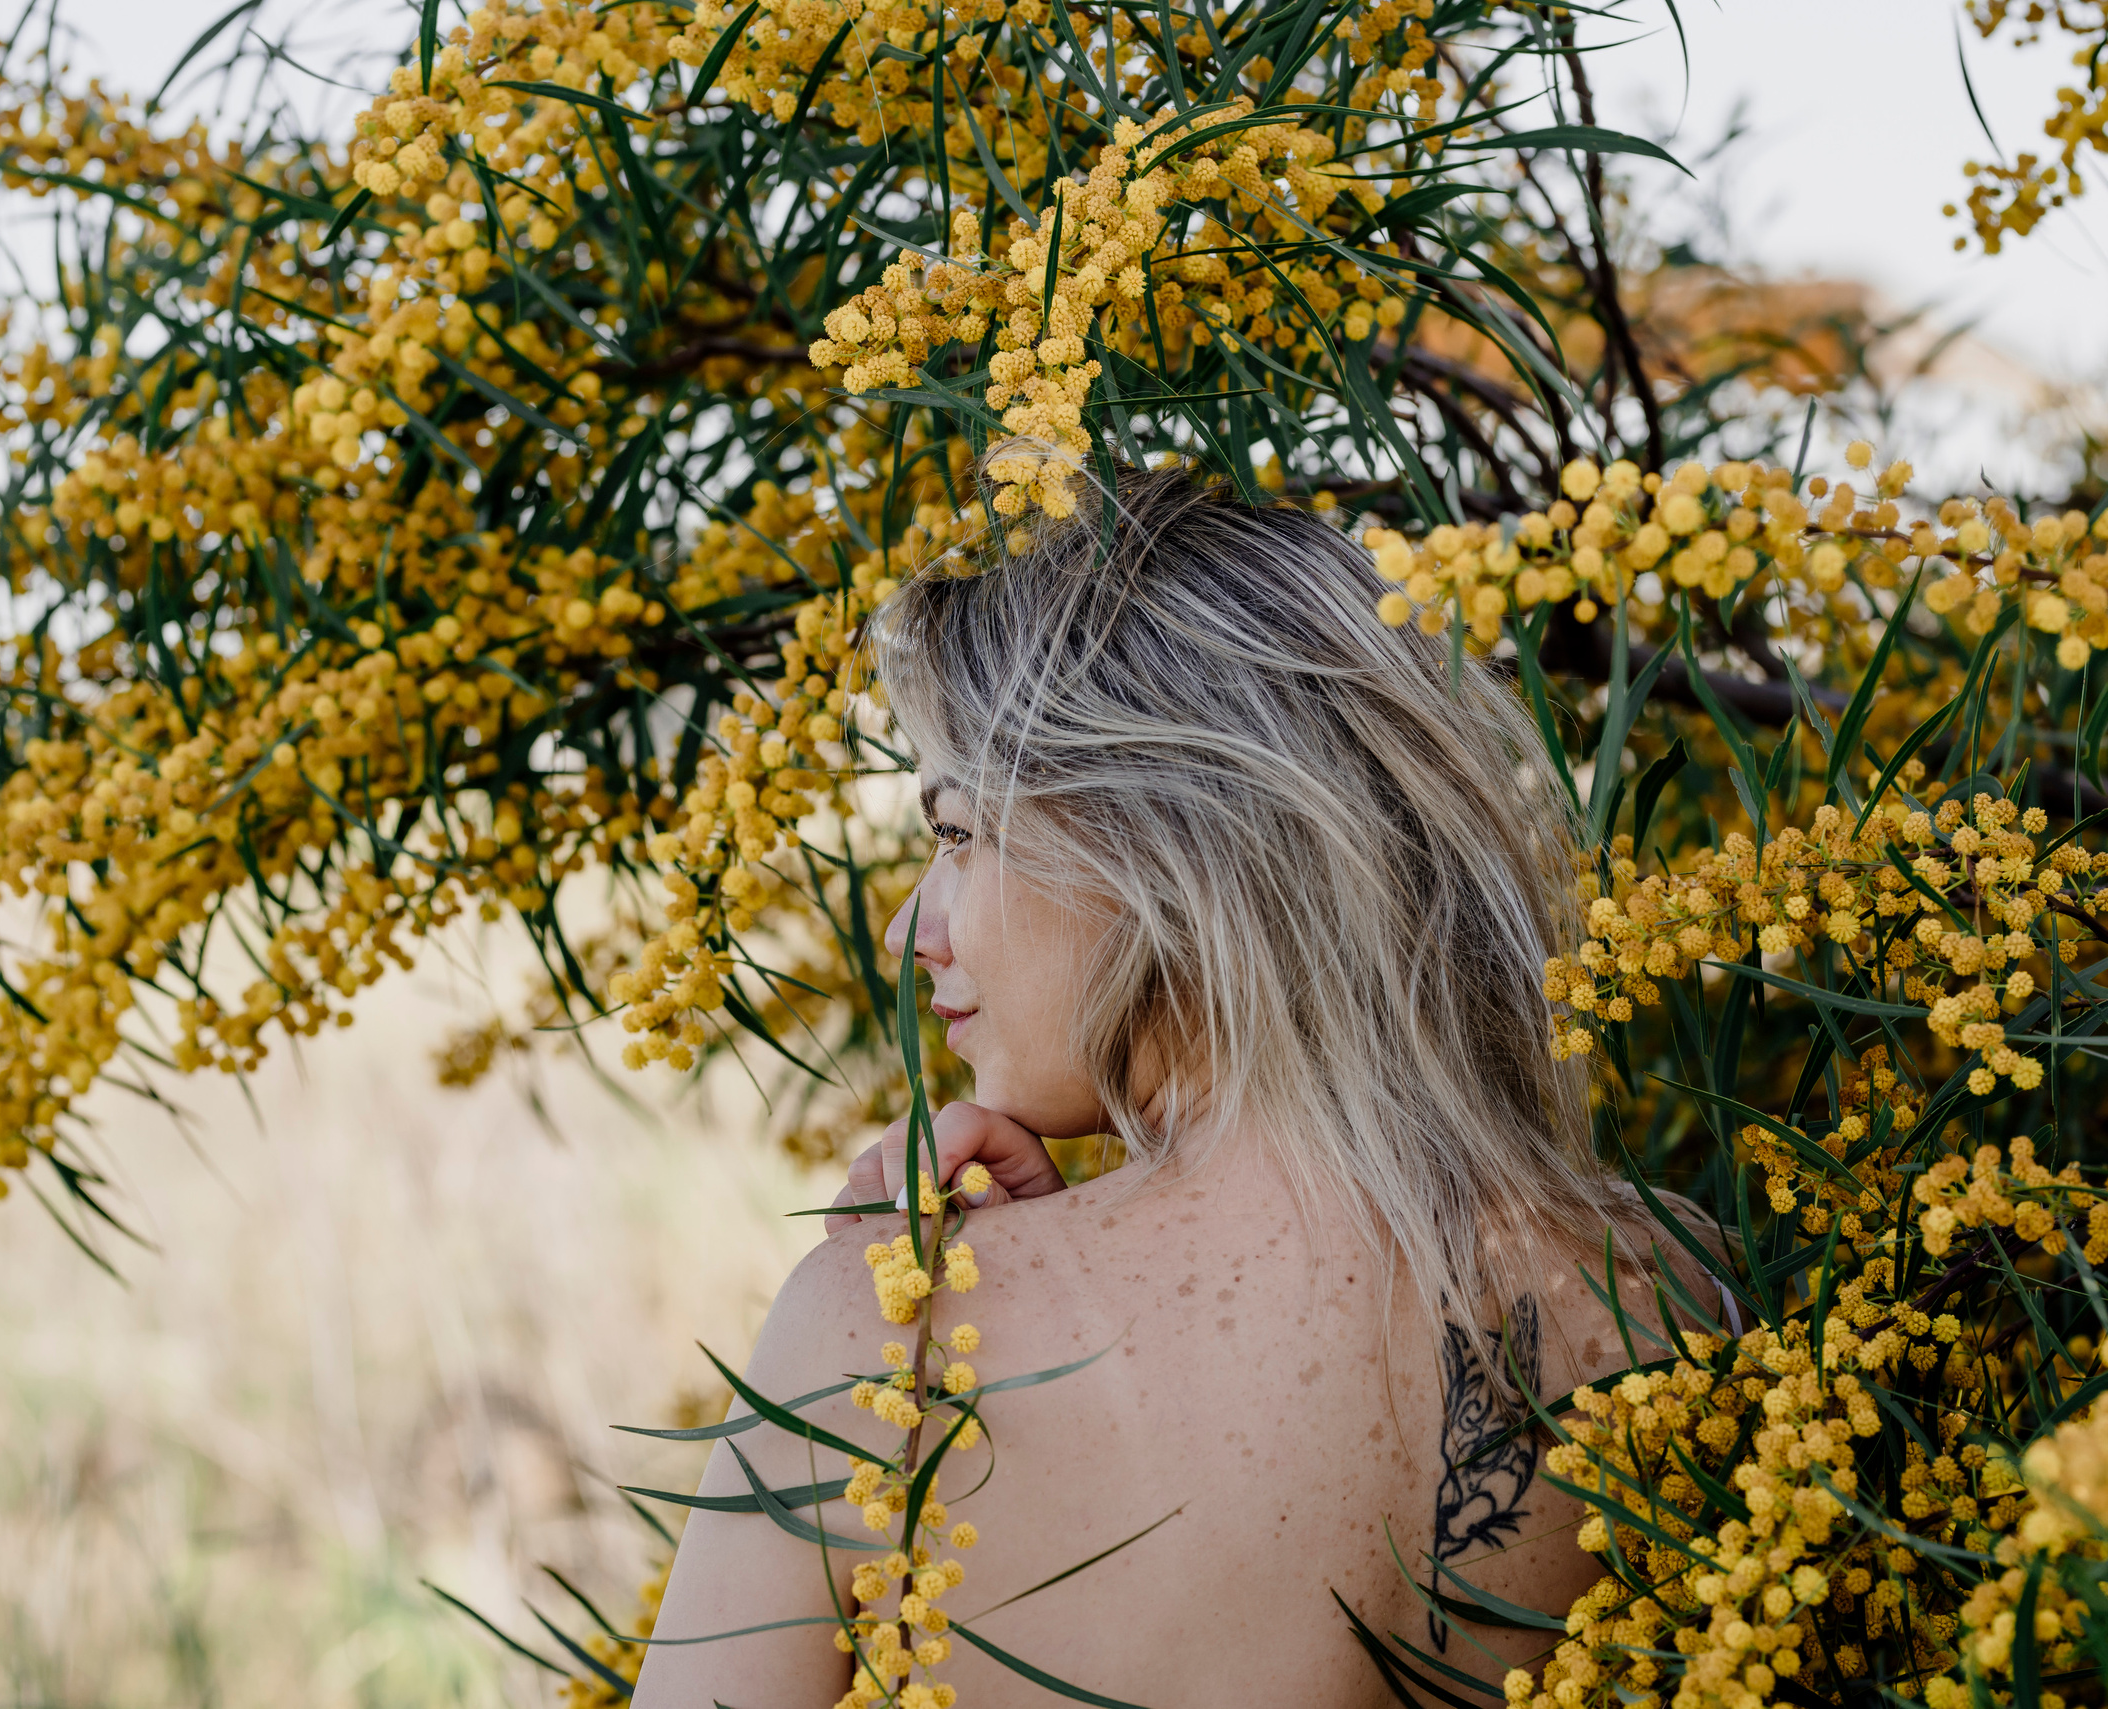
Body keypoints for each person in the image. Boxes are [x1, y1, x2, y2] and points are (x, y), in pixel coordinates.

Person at [632, 451, 1724, 1708]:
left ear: (1158, 841)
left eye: (955, 833)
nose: (908, 930)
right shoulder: (1671, 1296)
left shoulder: (895, 1345)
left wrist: (910, 1316)